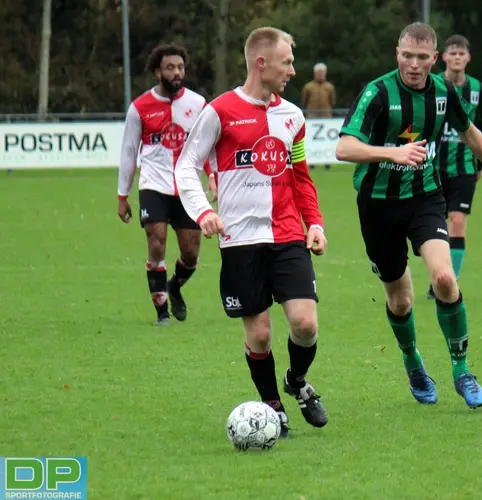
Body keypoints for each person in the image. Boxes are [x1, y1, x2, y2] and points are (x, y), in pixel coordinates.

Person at [335, 22, 482, 409]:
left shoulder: (443, 91)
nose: (414, 65)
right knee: (400, 301)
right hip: (378, 206)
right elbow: (345, 148)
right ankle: (413, 362)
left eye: (422, 57)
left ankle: (462, 371)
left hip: (425, 198)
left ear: (434, 59)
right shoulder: (378, 92)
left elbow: (470, 132)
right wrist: (393, 153)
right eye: (407, 56)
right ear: (396, 54)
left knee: (444, 278)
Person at [175, 27, 328, 437]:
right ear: (262, 63)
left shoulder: (293, 117)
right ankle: (272, 406)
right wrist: (203, 211)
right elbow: (187, 167)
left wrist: (314, 222)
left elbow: (300, 176)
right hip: (241, 240)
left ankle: (295, 383)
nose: (293, 71)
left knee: (305, 324)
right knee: (259, 334)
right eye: (287, 62)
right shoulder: (220, 111)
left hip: (287, 234)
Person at [117, 44, 217, 326]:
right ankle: (161, 311)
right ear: (157, 71)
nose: (177, 73)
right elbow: (128, 152)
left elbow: (207, 145)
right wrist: (122, 195)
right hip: (154, 184)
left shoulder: (198, 105)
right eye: (171, 67)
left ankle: (174, 287)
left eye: (180, 67)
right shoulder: (139, 108)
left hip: (186, 187)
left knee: (191, 252)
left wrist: (212, 174)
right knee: (156, 240)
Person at [426, 34, 482, 300]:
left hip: (464, 167)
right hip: (434, 166)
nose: (457, 58)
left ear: (468, 58)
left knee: (457, 221)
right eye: (452, 54)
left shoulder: (479, 90)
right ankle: (439, 273)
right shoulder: (433, 85)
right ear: (444, 57)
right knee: (435, 226)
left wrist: (480, 163)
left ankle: (448, 280)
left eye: (461, 54)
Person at [301, 62, 336, 170]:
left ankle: (328, 162)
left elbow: (333, 101)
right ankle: (312, 161)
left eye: (322, 73)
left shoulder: (329, 87)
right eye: (319, 73)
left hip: (326, 118)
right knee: (311, 140)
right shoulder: (308, 87)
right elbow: (304, 101)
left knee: (326, 141)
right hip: (312, 118)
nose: (321, 75)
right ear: (315, 73)